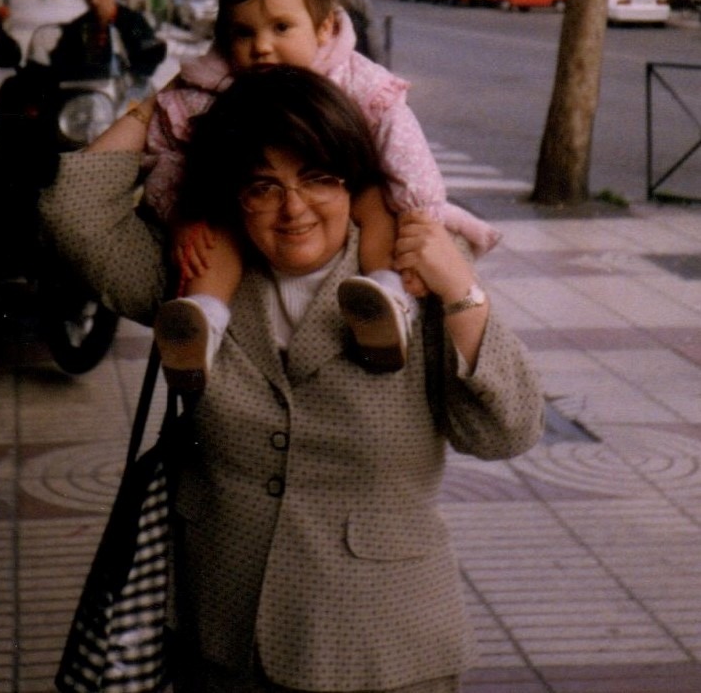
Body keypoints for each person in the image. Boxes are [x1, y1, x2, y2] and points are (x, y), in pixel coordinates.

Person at [39, 64, 545, 693]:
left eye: (318, 178)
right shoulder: (199, 272)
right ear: (232, 194)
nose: (294, 209)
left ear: (354, 182)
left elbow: (507, 431)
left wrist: (462, 291)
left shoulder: (414, 275)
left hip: (380, 652)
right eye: (262, 187)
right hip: (220, 641)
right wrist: (158, 105)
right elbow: (71, 211)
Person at [137, 0, 500, 389]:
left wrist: (419, 212)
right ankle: (201, 323)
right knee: (217, 231)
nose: (261, 47)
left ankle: (387, 297)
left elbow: (403, 142)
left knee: (379, 204)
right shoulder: (215, 84)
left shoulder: (354, 77)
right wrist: (180, 214)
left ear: (324, 28)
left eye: (281, 27)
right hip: (249, 197)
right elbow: (168, 148)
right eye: (244, 33)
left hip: (353, 185)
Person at [49, 0, 166, 81]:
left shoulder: (134, 22)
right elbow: (59, 61)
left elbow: (148, 55)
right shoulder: (77, 26)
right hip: (87, 93)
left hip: (126, 91)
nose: (94, 0)